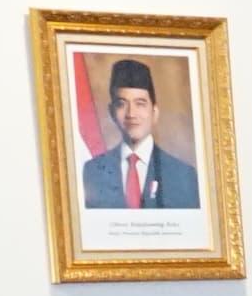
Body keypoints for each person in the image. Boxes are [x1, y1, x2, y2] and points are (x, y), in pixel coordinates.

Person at [82, 57, 202, 211]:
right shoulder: (92, 171)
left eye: (140, 104)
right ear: (111, 112)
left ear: (154, 112)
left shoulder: (183, 175)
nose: (131, 114)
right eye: (122, 104)